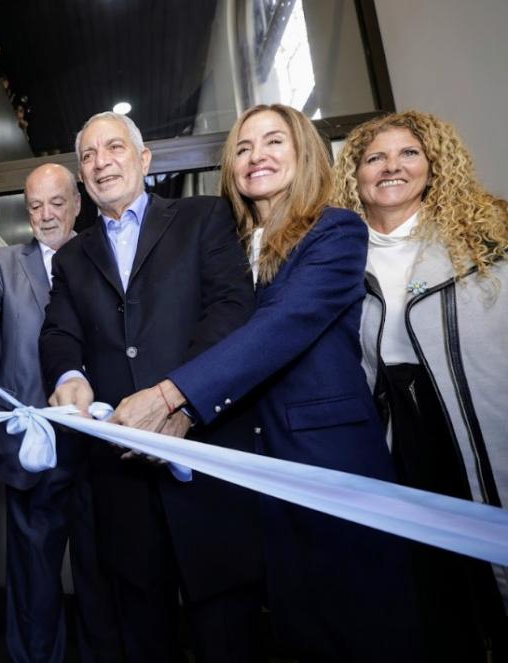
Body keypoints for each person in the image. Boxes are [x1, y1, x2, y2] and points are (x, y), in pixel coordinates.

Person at [106, 104, 421, 661]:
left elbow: (284, 325)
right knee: (296, 628)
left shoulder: (336, 229)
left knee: (362, 624)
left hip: (327, 459)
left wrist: (169, 396)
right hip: (255, 465)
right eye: (244, 147)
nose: (257, 157)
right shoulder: (230, 244)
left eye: (273, 142)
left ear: (303, 152)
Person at [40, 111, 264, 663]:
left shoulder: (204, 217)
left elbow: (233, 310)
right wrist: (69, 377)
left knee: (227, 632)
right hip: (120, 477)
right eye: (88, 156)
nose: (100, 162)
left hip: (207, 459)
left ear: (144, 160)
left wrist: (176, 395)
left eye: (113, 147)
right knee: (142, 632)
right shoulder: (71, 256)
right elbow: (59, 332)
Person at [333, 109, 508, 661]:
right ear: (355, 175)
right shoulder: (336, 259)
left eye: (408, 153)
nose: (391, 166)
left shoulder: (488, 239)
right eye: (374, 157)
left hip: (476, 423)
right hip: (395, 435)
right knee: (428, 585)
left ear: (433, 166)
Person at [0, 162, 123, 663]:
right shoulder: (6, 263)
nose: (45, 216)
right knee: (34, 585)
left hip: (102, 451)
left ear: (78, 204)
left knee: (102, 578)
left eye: (56, 203)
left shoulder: (106, 254)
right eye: (35, 205)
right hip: (32, 456)